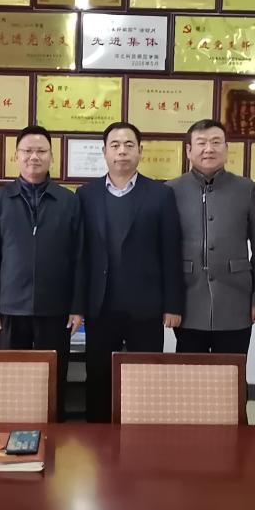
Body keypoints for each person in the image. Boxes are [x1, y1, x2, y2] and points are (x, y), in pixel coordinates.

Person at [77, 122, 183, 422]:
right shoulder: (86, 195)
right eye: (115, 145)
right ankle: (97, 439)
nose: (121, 151)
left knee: (146, 376)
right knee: (98, 376)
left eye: (128, 145)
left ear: (140, 151)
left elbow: (171, 251)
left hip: (146, 306)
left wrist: (173, 305)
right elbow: (81, 255)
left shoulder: (161, 194)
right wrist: (78, 305)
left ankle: (145, 437)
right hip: (100, 305)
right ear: (104, 152)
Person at [0, 125, 83, 418]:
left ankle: (54, 431)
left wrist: (77, 306)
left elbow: (79, 257)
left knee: (54, 378)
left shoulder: (68, 200)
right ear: (16, 156)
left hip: (56, 307)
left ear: (51, 157)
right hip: (10, 308)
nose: (34, 157)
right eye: (27, 151)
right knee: (12, 378)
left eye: (41, 151)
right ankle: (11, 431)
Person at [166, 119, 255, 355]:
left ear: (226, 148)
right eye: (201, 143)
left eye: (216, 142)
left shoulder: (245, 188)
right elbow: (163, 250)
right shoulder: (171, 190)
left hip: (236, 299)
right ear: (189, 150)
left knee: (233, 370)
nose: (209, 149)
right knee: (191, 371)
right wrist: (167, 302)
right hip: (188, 300)